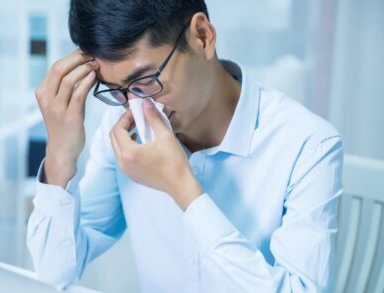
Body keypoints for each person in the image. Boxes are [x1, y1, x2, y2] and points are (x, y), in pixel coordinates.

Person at [27, 1, 343, 292]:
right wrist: (60, 157)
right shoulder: (122, 131)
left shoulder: (309, 145)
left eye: (147, 80)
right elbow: (55, 274)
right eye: (116, 90)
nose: (137, 107)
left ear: (202, 37)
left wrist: (184, 190)